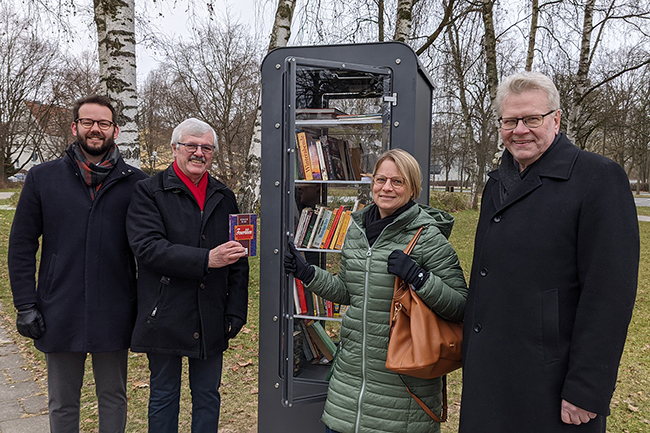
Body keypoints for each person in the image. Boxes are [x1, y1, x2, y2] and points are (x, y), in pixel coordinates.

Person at [459, 71, 640, 433]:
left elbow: (609, 293)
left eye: (531, 119)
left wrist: (587, 389)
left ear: (556, 119)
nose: (520, 130)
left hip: (550, 385)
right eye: (510, 121)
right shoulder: (497, 183)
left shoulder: (597, 178)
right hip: (489, 377)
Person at [285, 149, 467, 433]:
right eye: (381, 179)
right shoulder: (357, 230)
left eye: (398, 181)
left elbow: (460, 305)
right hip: (349, 390)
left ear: (412, 187)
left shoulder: (427, 236)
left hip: (402, 391)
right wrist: (307, 273)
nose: (386, 188)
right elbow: (348, 292)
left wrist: (418, 277)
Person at [7, 95, 147, 432]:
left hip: (114, 307)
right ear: (75, 127)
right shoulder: (44, 178)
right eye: (88, 122)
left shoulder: (136, 182)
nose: (95, 129)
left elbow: (149, 248)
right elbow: (22, 245)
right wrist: (25, 304)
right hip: (59, 306)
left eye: (103, 123)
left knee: (113, 395)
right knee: (62, 401)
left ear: (115, 129)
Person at [126, 118, 249, 433]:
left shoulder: (225, 196)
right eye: (191, 146)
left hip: (210, 313)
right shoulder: (148, 192)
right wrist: (207, 258)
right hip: (164, 312)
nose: (199, 153)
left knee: (208, 395)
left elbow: (239, 260)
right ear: (174, 148)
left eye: (206, 147)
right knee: (164, 395)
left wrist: (236, 310)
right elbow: (149, 248)